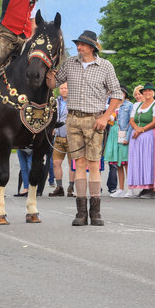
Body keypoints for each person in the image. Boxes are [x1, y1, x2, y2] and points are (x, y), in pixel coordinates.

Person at [48, 30, 123, 226]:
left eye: (82, 44)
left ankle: (96, 212)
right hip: (72, 119)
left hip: (94, 119)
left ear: (92, 47)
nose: (79, 47)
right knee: (78, 163)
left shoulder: (105, 66)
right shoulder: (70, 63)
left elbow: (117, 94)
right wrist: (48, 71)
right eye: (78, 44)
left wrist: (106, 117)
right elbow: (53, 83)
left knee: (93, 164)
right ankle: (81, 213)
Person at [127, 83, 155, 197]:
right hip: (136, 136)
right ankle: (142, 186)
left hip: (149, 135)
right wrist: (136, 129)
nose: (147, 93)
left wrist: (141, 130)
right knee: (137, 161)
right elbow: (132, 120)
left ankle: (150, 187)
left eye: (149, 91)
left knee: (148, 160)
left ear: (153, 93)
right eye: (145, 91)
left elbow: (154, 121)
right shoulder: (137, 105)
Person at [48, 82, 74, 197]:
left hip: (71, 136)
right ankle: (59, 187)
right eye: (62, 88)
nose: (64, 90)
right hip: (58, 136)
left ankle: (71, 187)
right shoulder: (55, 101)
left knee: (71, 163)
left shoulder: (74, 102)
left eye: (66, 88)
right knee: (56, 162)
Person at [106, 86, 133, 197]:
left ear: (125, 94)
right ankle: (120, 188)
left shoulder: (129, 105)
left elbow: (132, 121)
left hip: (123, 131)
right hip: (113, 132)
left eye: (121, 93)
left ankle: (130, 189)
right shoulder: (112, 106)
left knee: (125, 162)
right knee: (118, 163)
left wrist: (127, 137)